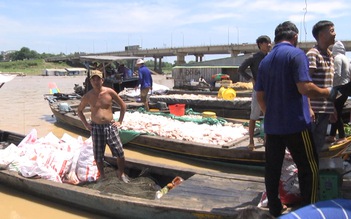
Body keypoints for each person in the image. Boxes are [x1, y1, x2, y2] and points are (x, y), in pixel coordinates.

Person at [255, 21, 338, 217]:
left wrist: (271, 115)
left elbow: (260, 95)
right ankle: (310, 208)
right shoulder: (296, 54)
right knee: (309, 167)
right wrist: (328, 92)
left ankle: (275, 208)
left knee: (272, 169)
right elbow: (305, 88)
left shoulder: (265, 61)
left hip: (273, 127)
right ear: (295, 37)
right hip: (296, 124)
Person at [77, 70, 130, 183]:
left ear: (102, 80)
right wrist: (86, 124)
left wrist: (120, 121)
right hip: (96, 128)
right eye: (93, 80)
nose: (96, 82)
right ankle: (103, 176)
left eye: (98, 79)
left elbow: (123, 105)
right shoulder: (88, 96)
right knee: (98, 155)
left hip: (110, 127)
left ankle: (121, 173)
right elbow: (79, 110)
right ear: (90, 81)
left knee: (119, 152)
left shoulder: (109, 92)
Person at [306, 20, 336, 153]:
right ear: (321, 35)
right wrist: (308, 108)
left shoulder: (330, 56)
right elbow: (305, 83)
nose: (335, 34)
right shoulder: (313, 54)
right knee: (309, 148)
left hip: (325, 110)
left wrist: (332, 107)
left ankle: (313, 173)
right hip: (314, 111)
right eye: (331, 31)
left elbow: (329, 85)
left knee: (317, 147)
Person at [238, 35, 272, 150]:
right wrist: (251, 79)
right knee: (254, 115)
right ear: (260, 44)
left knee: (268, 115)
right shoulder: (254, 57)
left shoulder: (271, 56)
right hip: (258, 89)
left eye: (270, 42)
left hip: (269, 89)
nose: (269, 45)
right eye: (266, 43)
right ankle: (251, 141)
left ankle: (267, 140)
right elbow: (241, 69)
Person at [328, 41, 351, 144]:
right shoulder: (347, 59)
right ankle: (332, 135)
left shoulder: (337, 58)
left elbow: (336, 73)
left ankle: (342, 136)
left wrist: (331, 85)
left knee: (336, 112)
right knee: (338, 111)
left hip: (339, 88)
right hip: (346, 88)